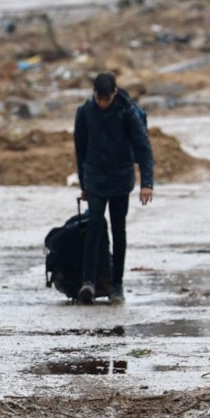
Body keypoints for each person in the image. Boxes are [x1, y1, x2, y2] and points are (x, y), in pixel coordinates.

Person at [74, 72, 154, 304]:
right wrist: (84, 184)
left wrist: (146, 183)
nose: (102, 103)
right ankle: (88, 282)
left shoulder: (126, 112)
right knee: (94, 227)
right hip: (95, 178)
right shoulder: (85, 113)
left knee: (119, 231)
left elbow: (143, 146)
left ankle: (116, 285)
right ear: (94, 95)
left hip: (121, 178)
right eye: (99, 99)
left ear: (114, 94)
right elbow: (81, 150)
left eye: (106, 100)